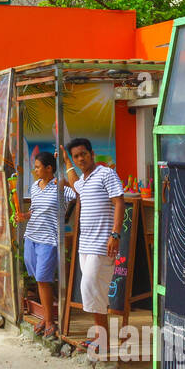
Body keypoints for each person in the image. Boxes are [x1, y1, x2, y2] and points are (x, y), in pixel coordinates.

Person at [59, 138, 125, 347]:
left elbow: (119, 201)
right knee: (93, 290)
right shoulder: (83, 181)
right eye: (76, 156)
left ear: (92, 154)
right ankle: (100, 337)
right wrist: (66, 159)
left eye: (83, 154)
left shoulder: (106, 173)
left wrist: (115, 235)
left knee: (91, 286)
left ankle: (102, 338)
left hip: (103, 244)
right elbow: (72, 181)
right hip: (85, 245)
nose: (80, 159)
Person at [16, 152, 76, 339]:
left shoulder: (60, 188)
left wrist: (65, 178)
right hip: (32, 237)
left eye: (37, 167)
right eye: (34, 167)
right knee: (39, 279)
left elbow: (78, 191)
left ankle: (49, 321)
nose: (35, 170)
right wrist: (24, 216)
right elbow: (35, 210)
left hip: (49, 239)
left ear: (49, 168)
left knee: (43, 278)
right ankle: (45, 317)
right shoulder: (35, 187)